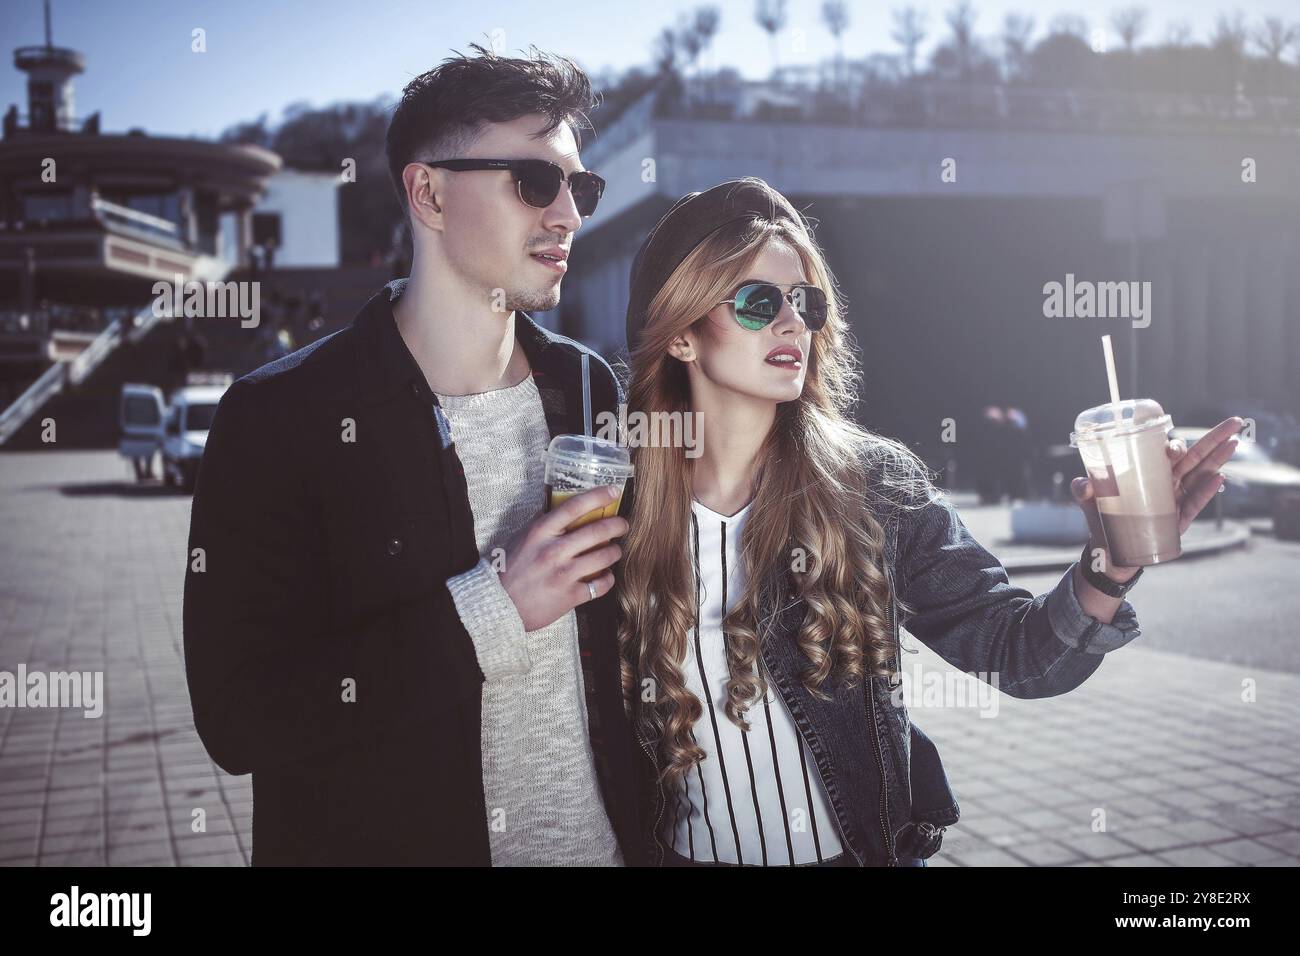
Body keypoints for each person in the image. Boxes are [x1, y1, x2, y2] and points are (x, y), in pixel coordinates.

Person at [614, 177, 1244, 867]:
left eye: (805, 301)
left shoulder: (870, 486)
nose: (792, 322)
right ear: (680, 335)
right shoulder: (622, 504)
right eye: (760, 303)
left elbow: (1022, 657)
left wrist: (1113, 561)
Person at [183, 44, 642, 865]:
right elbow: (239, 717)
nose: (570, 214)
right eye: (535, 181)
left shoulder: (587, 386)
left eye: (582, 186)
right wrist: (493, 608)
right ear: (427, 192)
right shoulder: (279, 419)